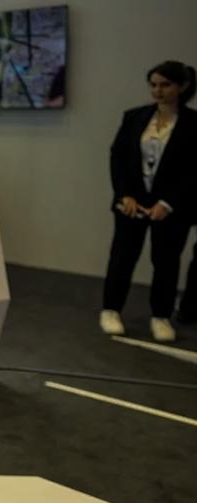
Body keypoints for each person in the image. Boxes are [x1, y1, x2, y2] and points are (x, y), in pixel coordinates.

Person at [101, 60, 197, 342]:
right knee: (122, 257)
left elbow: (194, 170)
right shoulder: (134, 117)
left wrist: (168, 203)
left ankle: (161, 316)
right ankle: (111, 309)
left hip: (171, 207)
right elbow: (118, 157)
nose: (158, 91)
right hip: (132, 202)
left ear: (182, 86)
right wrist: (124, 194)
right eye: (153, 85)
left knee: (166, 261)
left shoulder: (193, 123)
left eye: (165, 85)